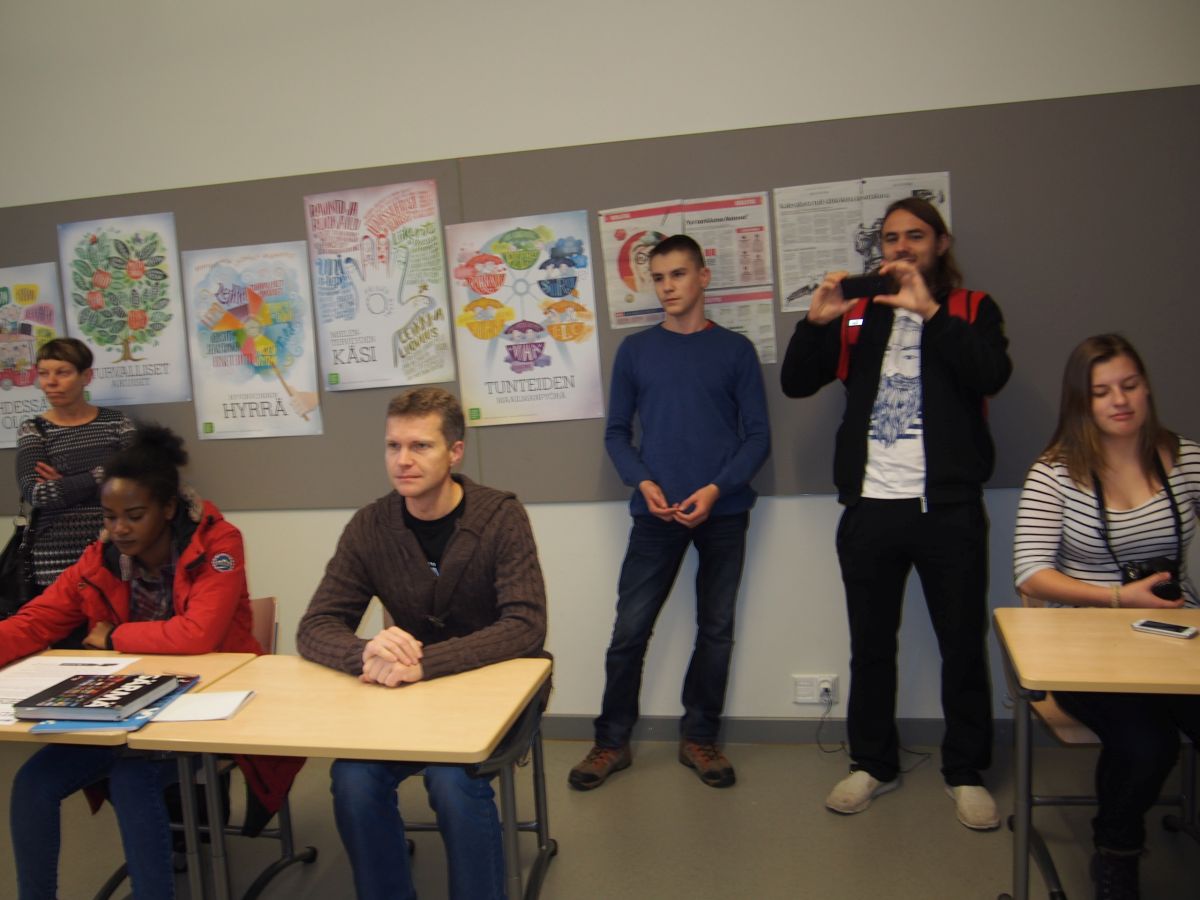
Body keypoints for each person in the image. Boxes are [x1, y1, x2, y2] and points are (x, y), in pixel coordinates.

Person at [780, 197, 1011, 828]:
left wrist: (930, 311)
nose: (901, 247)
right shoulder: (860, 314)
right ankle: (872, 764)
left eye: (915, 236)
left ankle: (965, 771)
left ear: (941, 243)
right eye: (890, 238)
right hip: (871, 509)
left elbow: (990, 374)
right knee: (871, 647)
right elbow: (797, 382)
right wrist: (816, 323)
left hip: (948, 510)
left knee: (962, 646)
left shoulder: (971, 308)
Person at [295, 386, 547, 900]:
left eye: (420, 446)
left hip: (495, 690)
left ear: (455, 452)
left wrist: (427, 662)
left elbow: (526, 625)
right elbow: (316, 625)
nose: (403, 460)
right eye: (393, 446)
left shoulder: (501, 516)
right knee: (354, 778)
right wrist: (364, 651)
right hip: (409, 700)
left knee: (452, 781)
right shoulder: (370, 526)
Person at [0, 424, 264, 900]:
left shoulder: (217, 543)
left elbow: (198, 633)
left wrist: (115, 637)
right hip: (122, 708)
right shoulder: (100, 558)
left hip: (204, 708)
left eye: (134, 516)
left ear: (168, 509)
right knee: (32, 785)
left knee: (131, 779)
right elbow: (36, 620)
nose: (119, 529)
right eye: (110, 516)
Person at [569, 234, 770, 791]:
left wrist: (717, 489)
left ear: (703, 277)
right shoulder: (636, 352)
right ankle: (611, 743)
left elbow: (758, 438)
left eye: (678, 274)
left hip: (722, 512)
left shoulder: (735, 351)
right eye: (658, 278)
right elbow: (616, 433)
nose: (667, 287)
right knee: (629, 631)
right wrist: (643, 481)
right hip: (654, 514)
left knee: (716, 630)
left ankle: (700, 738)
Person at [1014, 333, 1199, 899]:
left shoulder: (1186, 459)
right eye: (1102, 392)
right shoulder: (1055, 472)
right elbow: (1030, 573)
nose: (1120, 400)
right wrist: (1120, 598)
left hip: (1175, 640)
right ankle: (1116, 853)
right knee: (1148, 745)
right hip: (1086, 649)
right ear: (1082, 401)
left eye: (1130, 385)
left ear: (1147, 389)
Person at [15, 338, 135, 630]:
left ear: (86, 376)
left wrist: (68, 483)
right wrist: (105, 474)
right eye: (44, 373)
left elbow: (136, 482)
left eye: (62, 372)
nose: (50, 382)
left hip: (115, 555)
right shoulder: (35, 429)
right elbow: (39, 494)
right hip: (54, 564)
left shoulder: (117, 423)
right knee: (62, 649)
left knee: (118, 642)